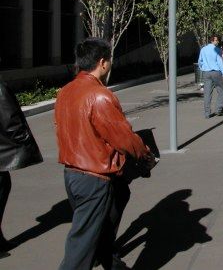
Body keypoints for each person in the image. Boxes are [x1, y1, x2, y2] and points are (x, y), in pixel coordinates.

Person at [55, 38, 154, 270]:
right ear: (102, 62)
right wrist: (144, 154)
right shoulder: (100, 96)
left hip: (73, 172)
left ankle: (111, 262)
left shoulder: (65, 92)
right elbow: (123, 138)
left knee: (98, 227)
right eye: (109, 60)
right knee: (81, 245)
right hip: (94, 176)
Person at [0, 82, 43, 260]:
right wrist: (25, 140)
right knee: (2, 186)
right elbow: (11, 120)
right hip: (3, 148)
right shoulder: (0, 88)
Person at [198, 35, 223, 119]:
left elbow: (200, 61)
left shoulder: (203, 49)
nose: (217, 42)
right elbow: (220, 62)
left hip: (206, 73)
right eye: (217, 40)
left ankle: (207, 113)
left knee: (207, 93)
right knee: (221, 91)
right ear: (213, 41)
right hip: (216, 72)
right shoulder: (217, 50)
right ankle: (218, 110)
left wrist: (203, 68)